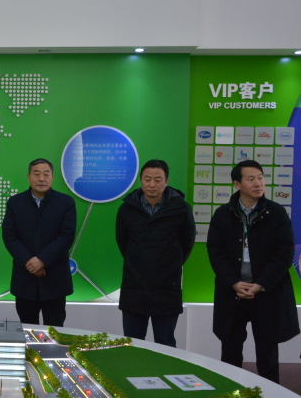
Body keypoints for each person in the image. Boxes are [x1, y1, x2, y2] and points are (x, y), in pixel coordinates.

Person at [207, 159, 298, 383]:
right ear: (237, 184)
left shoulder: (276, 213)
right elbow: (215, 252)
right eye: (251, 179)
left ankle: (271, 396)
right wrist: (233, 282)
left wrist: (261, 284)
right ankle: (230, 393)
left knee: (267, 353)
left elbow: (284, 253)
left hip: (266, 293)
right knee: (230, 349)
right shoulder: (223, 214)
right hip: (233, 293)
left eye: (260, 178)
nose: (258, 183)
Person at [116, 159, 196, 348]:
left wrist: (170, 264)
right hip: (134, 286)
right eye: (147, 179)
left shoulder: (181, 208)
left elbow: (187, 243)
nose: (152, 184)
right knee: (133, 344)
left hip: (167, 286)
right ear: (141, 180)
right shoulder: (127, 208)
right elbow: (123, 243)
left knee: (165, 343)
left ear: (166, 181)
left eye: (158, 180)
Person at [2, 158, 76, 326]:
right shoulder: (15, 202)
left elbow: (66, 236)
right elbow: (9, 236)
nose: (41, 179)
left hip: (55, 279)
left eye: (46, 174)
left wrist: (42, 260)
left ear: (52, 177)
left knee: (55, 330)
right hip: (25, 279)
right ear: (28, 177)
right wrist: (29, 261)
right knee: (27, 329)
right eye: (36, 174)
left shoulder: (65, 202)